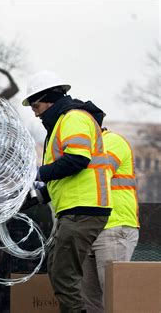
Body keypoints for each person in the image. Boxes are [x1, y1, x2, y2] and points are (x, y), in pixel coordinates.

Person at [21, 71, 113, 313]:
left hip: (83, 209)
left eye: (35, 104)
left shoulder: (72, 119)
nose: (34, 111)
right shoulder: (62, 123)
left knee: (63, 275)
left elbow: (76, 161)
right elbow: (63, 179)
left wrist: (37, 174)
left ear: (49, 98)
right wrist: (34, 198)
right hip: (75, 209)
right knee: (58, 267)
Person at [81, 129, 140, 313]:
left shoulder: (111, 141)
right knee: (90, 303)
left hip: (113, 226)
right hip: (87, 229)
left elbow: (94, 178)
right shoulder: (82, 150)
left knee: (114, 300)